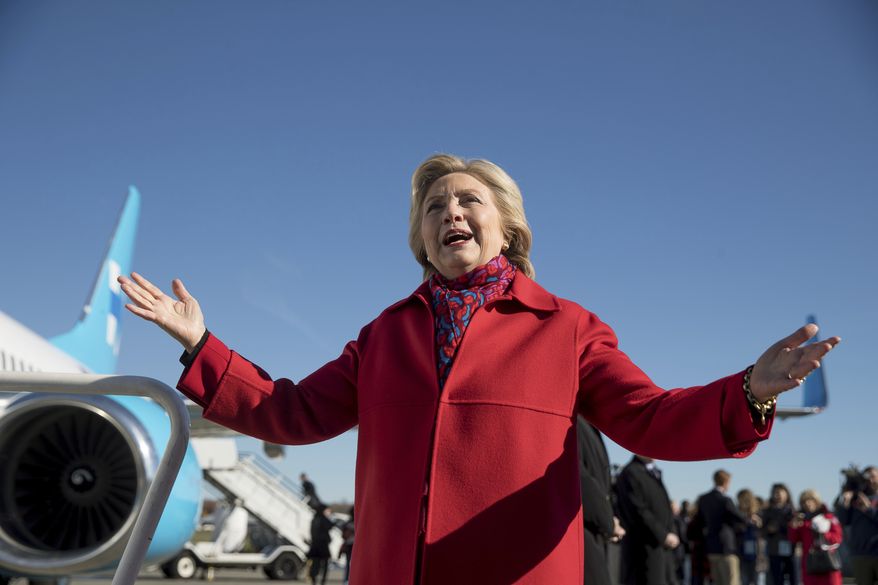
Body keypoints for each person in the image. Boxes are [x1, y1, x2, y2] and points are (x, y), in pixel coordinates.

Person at [117, 153, 840, 585]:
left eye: (468, 199)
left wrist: (748, 392)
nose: (450, 211)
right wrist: (202, 343)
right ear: (422, 239)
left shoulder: (569, 328)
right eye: (435, 206)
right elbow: (292, 412)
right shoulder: (385, 334)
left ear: (507, 227)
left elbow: (650, 416)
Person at [616, 455, 678, 585]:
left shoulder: (652, 472)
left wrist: (671, 531)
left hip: (660, 547)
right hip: (643, 549)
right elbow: (638, 511)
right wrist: (663, 535)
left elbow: (664, 508)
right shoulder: (631, 472)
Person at [577, 416, 625, 585]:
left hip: (594, 529)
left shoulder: (589, 426)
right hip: (582, 531)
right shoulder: (573, 423)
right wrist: (608, 521)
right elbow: (580, 477)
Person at [693, 470, 746, 585]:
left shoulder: (703, 499)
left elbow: (699, 522)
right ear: (726, 482)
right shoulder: (725, 500)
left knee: (717, 580)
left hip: (711, 546)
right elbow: (740, 518)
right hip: (726, 547)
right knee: (731, 581)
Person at [788, 489, 843, 585]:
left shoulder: (829, 518)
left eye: (810, 500)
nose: (807, 504)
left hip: (828, 561)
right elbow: (793, 539)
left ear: (817, 501)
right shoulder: (803, 522)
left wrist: (824, 533)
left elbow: (838, 538)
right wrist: (793, 526)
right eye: (804, 502)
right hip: (810, 563)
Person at [835, 466, 878, 585]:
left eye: (873, 476)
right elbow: (843, 521)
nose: (870, 480)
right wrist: (845, 504)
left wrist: (869, 509)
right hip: (860, 554)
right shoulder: (856, 500)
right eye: (867, 477)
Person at [763, 483, 797, 585]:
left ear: (786, 494)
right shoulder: (767, 511)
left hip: (791, 549)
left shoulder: (793, 511)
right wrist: (768, 529)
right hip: (774, 549)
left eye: (779, 492)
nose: (777, 495)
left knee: (793, 576)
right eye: (774, 493)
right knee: (776, 577)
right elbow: (762, 530)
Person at [736, 489, 762, 585]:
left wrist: (759, 524)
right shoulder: (737, 514)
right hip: (741, 551)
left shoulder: (758, 513)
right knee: (744, 579)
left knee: (756, 579)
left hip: (756, 551)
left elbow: (763, 531)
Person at [307, 504, 333, 585]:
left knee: (315, 565)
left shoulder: (314, 519)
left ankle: (314, 581)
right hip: (323, 546)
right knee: (324, 566)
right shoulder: (323, 519)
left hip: (315, 546)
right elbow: (331, 525)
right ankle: (322, 582)